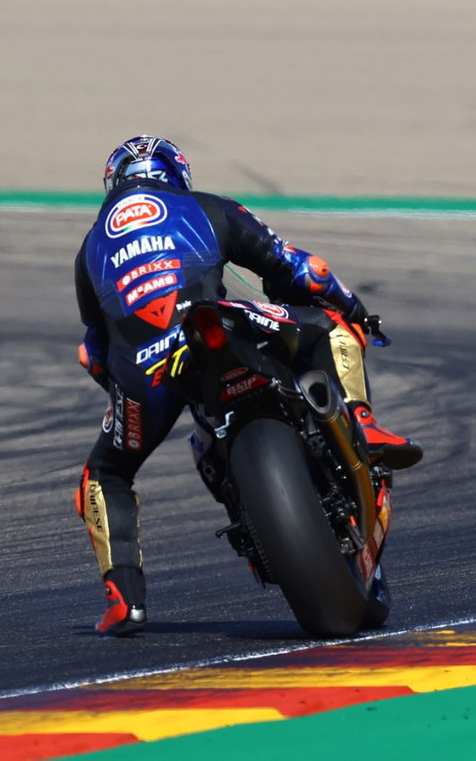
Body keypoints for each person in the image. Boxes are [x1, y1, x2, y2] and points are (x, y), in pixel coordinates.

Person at [73, 135, 421, 636]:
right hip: (218, 323)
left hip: (145, 374)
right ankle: (364, 425)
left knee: (104, 473)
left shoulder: (89, 249)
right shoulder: (205, 207)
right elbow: (305, 271)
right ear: (177, 174)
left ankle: (124, 598)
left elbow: (94, 352)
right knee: (332, 324)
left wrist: (124, 399)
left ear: (113, 183)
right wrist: (357, 311)